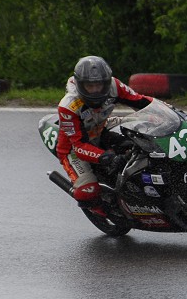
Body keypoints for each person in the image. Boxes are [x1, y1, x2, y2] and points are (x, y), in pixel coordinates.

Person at [55, 55, 154, 210]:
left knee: (144, 132)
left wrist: (171, 112)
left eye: (99, 85)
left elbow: (141, 101)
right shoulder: (68, 106)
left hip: (102, 128)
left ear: (106, 82)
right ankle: (104, 212)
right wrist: (107, 157)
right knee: (87, 192)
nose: (95, 90)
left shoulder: (114, 85)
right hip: (73, 148)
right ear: (80, 84)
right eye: (90, 86)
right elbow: (79, 146)